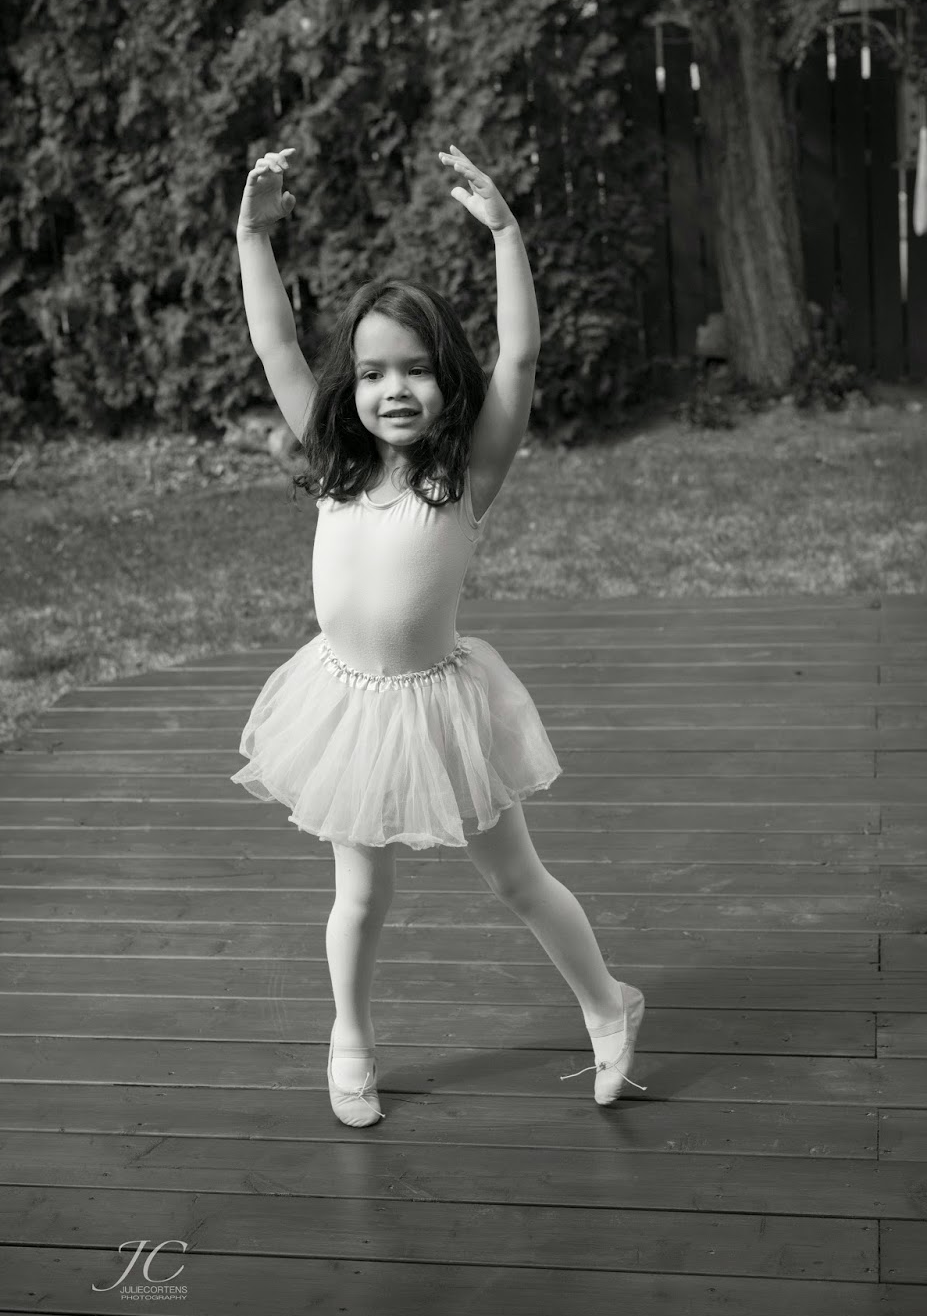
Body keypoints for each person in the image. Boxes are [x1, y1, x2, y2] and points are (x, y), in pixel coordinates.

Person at [229, 141, 646, 1127]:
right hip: (344, 707)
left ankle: (607, 1003)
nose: (396, 390)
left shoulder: (465, 474)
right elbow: (277, 346)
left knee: (517, 879)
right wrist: (251, 236)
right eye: (375, 372)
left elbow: (520, 357)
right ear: (350, 386)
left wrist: (504, 232)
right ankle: (350, 1041)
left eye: (417, 369)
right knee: (359, 896)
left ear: (446, 379)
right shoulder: (336, 463)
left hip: (443, 708)